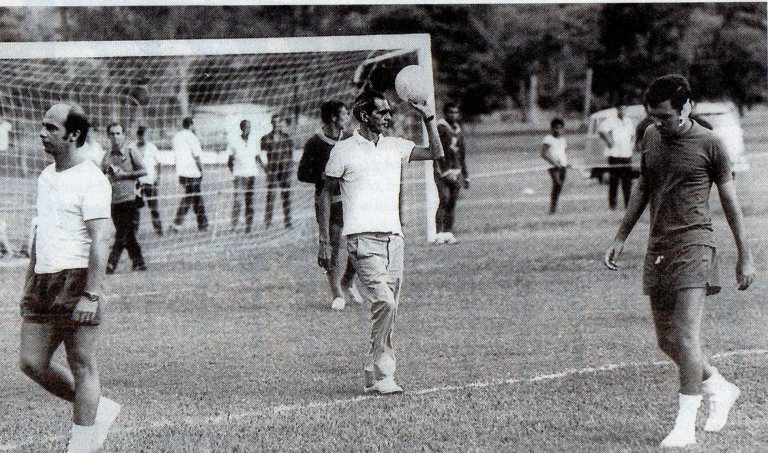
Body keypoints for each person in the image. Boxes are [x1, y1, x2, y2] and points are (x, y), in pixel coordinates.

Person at [604, 75, 755, 448]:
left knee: (686, 335)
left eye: (665, 116)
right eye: (653, 116)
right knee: (667, 340)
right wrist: (621, 237)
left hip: (695, 245)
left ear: (687, 106)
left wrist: (745, 254)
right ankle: (719, 386)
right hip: (659, 245)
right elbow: (643, 186)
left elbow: (730, 202)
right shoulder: (651, 136)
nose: (658, 123)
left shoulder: (710, 144)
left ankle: (685, 425)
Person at [317, 90, 444, 394]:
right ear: (364, 116)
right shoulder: (343, 151)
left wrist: (428, 117)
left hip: (394, 239)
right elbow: (324, 194)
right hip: (361, 239)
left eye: (389, 111)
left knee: (388, 307)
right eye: (382, 112)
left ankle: (370, 369)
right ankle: (384, 375)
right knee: (384, 302)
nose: (388, 117)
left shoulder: (396, 146)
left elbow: (435, 152)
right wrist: (324, 240)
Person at [19, 102, 121, 452]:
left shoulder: (91, 178)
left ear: (74, 135)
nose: (42, 134)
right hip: (43, 280)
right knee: (32, 362)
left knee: (81, 364)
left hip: (77, 279)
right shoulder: (46, 176)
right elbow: (42, 231)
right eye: (43, 126)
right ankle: (98, 408)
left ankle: (82, 443)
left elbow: (101, 239)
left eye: (52, 128)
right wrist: (30, 278)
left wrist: (91, 294)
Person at [297, 99, 360, 311]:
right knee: (333, 244)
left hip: (350, 199)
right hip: (327, 201)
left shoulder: (350, 139)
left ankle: (347, 281)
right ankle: (337, 293)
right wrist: (322, 175)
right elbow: (302, 174)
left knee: (359, 246)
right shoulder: (315, 143)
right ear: (334, 117)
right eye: (344, 114)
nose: (348, 118)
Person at [102, 123, 147, 274]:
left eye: (118, 133)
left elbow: (144, 171)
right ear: (108, 136)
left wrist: (125, 175)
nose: (115, 137)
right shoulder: (107, 156)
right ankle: (139, 262)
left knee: (122, 233)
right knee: (128, 234)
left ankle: (111, 263)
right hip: (115, 201)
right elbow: (100, 176)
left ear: (124, 135)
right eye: (112, 134)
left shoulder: (131, 152)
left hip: (130, 199)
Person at [434, 102, 470, 244]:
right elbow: (438, 151)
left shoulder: (458, 130)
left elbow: (462, 154)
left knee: (452, 202)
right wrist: (445, 171)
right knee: (444, 199)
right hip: (442, 171)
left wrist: (465, 174)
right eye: (451, 112)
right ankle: (438, 234)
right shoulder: (441, 128)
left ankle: (448, 233)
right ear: (445, 113)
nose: (454, 115)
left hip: (456, 170)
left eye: (456, 112)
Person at [169, 117, 208, 232]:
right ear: (191, 125)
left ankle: (201, 224)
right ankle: (179, 223)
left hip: (182, 172)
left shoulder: (177, 137)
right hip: (192, 172)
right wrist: (201, 170)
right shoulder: (192, 137)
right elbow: (196, 156)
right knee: (192, 198)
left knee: (192, 197)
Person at [599, 104, 635, 209]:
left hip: (626, 154)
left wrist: (631, 146)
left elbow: (633, 135)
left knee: (627, 181)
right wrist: (609, 141)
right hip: (614, 154)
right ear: (617, 110)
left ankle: (628, 204)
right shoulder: (611, 120)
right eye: (620, 109)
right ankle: (612, 205)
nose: (622, 111)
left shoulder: (628, 121)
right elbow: (601, 130)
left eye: (624, 109)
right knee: (614, 180)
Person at [227, 120, 260, 233]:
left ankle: (248, 226)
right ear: (241, 128)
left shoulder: (254, 141)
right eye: (245, 127)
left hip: (251, 175)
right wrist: (235, 172)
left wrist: (265, 168)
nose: (247, 130)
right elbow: (230, 160)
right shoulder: (235, 141)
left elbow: (257, 157)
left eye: (249, 127)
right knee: (238, 201)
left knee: (249, 201)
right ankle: (233, 226)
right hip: (239, 176)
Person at [261, 113, 293, 229]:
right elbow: (261, 154)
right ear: (271, 123)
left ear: (281, 123)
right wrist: (265, 168)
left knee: (286, 196)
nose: (276, 124)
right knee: (270, 196)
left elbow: (290, 155)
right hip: (272, 171)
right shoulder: (265, 138)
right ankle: (268, 222)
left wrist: (289, 169)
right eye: (274, 122)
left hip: (284, 171)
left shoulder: (287, 138)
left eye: (278, 122)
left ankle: (288, 222)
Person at [135, 126, 163, 236]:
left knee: (154, 208)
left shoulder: (152, 147)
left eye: (145, 135)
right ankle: (134, 232)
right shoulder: (132, 147)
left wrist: (157, 177)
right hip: (137, 183)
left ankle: (159, 231)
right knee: (136, 209)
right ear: (138, 136)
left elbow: (159, 163)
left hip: (150, 182)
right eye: (141, 135)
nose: (143, 137)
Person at [540, 117, 568, 214]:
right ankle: (552, 208)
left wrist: (566, 162)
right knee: (557, 183)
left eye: (560, 128)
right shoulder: (548, 139)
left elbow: (563, 153)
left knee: (559, 186)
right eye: (556, 128)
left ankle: (554, 205)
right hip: (553, 167)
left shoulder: (563, 140)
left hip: (562, 166)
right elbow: (543, 154)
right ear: (552, 128)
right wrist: (554, 163)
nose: (558, 130)